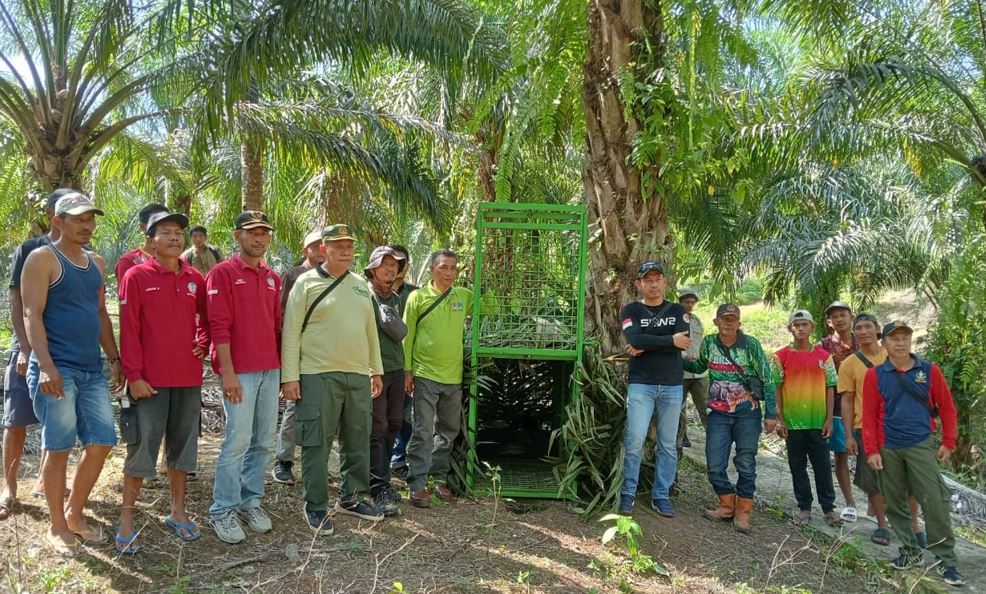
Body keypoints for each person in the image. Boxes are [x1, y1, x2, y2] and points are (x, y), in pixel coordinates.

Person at [22, 191, 124, 556]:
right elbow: (31, 313)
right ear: (58, 221)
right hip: (57, 367)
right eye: (78, 219)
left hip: (91, 368)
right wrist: (46, 366)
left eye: (90, 219)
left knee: (102, 441)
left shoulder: (95, 262)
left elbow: (99, 314)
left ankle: (74, 513)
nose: (86, 225)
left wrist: (114, 358)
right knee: (59, 446)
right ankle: (56, 525)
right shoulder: (42, 259)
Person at [281, 224, 384, 535]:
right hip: (316, 374)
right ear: (323, 249)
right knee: (317, 441)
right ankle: (315, 504)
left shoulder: (359, 286)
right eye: (337, 245)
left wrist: (375, 369)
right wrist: (290, 377)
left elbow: (370, 332)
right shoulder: (306, 282)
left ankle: (351, 497)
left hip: (356, 374)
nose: (345, 250)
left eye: (349, 245)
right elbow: (291, 331)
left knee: (357, 438)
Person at [116, 210, 209, 554]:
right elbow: (129, 329)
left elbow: (208, 318)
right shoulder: (137, 276)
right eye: (166, 232)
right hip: (150, 382)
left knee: (182, 449)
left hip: (187, 378)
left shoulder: (194, 278)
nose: (174, 238)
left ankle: (178, 511)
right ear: (151, 240)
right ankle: (126, 519)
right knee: (142, 450)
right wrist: (135, 376)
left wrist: (203, 342)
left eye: (178, 233)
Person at [863, 321, 965, 587]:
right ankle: (910, 551)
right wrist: (872, 450)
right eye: (894, 338)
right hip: (888, 447)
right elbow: (870, 415)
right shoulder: (874, 375)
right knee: (894, 502)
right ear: (883, 343)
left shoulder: (929, 371)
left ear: (911, 341)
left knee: (934, 501)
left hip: (921, 443)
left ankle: (947, 561)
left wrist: (949, 442)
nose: (900, 342)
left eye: (905, 337)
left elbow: (948, 408)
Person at [207, 211, 283, 544]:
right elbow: (218, 326)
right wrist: (227, 373)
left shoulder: (271, 277)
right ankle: (222, 509)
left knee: (264, 440)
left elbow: (277, 326)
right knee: (237, 441)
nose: (259, 238)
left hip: (270, 369)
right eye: (252, 232)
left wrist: (282, 371)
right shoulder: (222, 273)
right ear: (237, 236)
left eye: (265, 233)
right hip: (240, 372)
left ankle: (251, 500)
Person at [1, 188, 75, 521]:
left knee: (58, 422)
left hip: (66, 353)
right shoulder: (30, 249)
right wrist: (24, 349)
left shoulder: (83, 255)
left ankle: (48, 484)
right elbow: (19, 304)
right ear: (52, 215)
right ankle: (9, 489)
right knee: (16, 422)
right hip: (29, 350)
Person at [683, 303, 776, 533]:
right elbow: (699, 365)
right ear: (716, 322)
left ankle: (743, 512)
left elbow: (768, 379)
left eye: (733, 319)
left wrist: (772, 414)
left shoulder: (750, 345)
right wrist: (676, 357)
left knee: (746, 462)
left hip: (747, 413)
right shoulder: (710, 343)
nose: (728, 323)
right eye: (724, 319)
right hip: (718, 413)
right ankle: (726, 504)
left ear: (739, 323)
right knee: (714, 463)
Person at [839, 313, 924, 546]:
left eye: (869, 327)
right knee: (873, 480)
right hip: (865, 428)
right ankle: (882, 526)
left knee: (911, 477)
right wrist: (848, 435)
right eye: (859, 328)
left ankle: (914, 525)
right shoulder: (849, 364)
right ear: (854, 333)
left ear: (878, 330)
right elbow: (846, 400)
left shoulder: (896, 354)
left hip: (901, 426)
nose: (864, 331)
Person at [617, 261, 690, 517]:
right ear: (639, 284)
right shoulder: (631, 310)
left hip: (671, 386)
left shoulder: (677, 309)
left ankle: (661, 496)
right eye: (648, 279)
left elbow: (685, 342)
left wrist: (648, 344)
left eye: (658, 278)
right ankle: (628, 494)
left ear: (665, 281)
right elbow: (634, 339)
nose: (654, 283)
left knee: (668, 444)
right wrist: (670, 339)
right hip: (641, 385)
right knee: (635, 440)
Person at [403, 248, 473, 508]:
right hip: (424, 374)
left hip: (453, 376)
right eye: (444, 267)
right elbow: (407, 336)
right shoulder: (417, 298)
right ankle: (417, 483)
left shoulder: (464, 296)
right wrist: (407, 371)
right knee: (423, 429)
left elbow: (489, 305)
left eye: (454, 268)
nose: (449, 273)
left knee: (448, 429)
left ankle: (439, 478)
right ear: (433, 269)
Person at [774, 310, 842, 527]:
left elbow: (831, 387)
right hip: (792, 423)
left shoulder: (824, 357)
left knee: (822, 465)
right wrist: (780, 418)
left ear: (812, 328)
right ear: (790, 329)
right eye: (796, 325)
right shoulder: (780, 356)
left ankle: (829, 509)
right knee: (797, 465)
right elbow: (776, 388)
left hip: (817, 421)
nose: (800, 328)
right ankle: (804, 507)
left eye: (805, 324)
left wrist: (829, 418)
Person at [272, 229, 324, 484]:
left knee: (321, 409)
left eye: (325, 244)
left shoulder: (335, 277)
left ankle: (315, 464)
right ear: (305, 250)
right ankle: (284, 460)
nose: (322, 249)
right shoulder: (293, 275)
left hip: (325, 353)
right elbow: (282, 318)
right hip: (298, 351)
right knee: (294, 406)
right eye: (316, 245)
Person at [365, 246, 409, 516]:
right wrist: (372, 371)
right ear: (372, 269)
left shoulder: (395, 297)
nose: (390, 269)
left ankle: (384, 480)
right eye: (385, 265)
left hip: (395, 368)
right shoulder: (364, 296)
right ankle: (376, 486)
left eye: (395, 265)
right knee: (376, 428)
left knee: (394, 424)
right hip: (376, 371)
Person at [817, 300, 858, 522]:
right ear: (829, 322)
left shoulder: (862, 341)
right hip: (834, 408)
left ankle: (874, 504)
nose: (839, 319)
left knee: (868, 456)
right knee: (841, 455)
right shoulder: (822, 346)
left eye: (843, 314)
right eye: (835, 316)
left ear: (851, 316)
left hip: (862, 407)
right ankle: (850, 502)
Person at [389, 244, 419, 479]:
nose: (395, 267)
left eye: (400, 261)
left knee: (404, 415)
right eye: (390, 262)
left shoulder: (414, 293)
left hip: (406, 364)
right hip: (380, 363)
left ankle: (398, 459)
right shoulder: (372, 291)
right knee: (380, 416)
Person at [677, 288, 709, 449]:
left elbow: (700, 343)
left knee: (706, 406)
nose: (689, 305)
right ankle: (682, 436)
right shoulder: (674, 319)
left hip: (699, 372)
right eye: (686, 302)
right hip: (680, 371)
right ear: (680, 302)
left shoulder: (696, 320)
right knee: (678, 407)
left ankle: (713, 437)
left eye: (692, 302)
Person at [115, 202, 168, 285]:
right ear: (142, 226)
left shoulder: (177, 261)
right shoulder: (129, 261)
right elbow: (126, 296)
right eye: (157, 223)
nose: (165, 228)